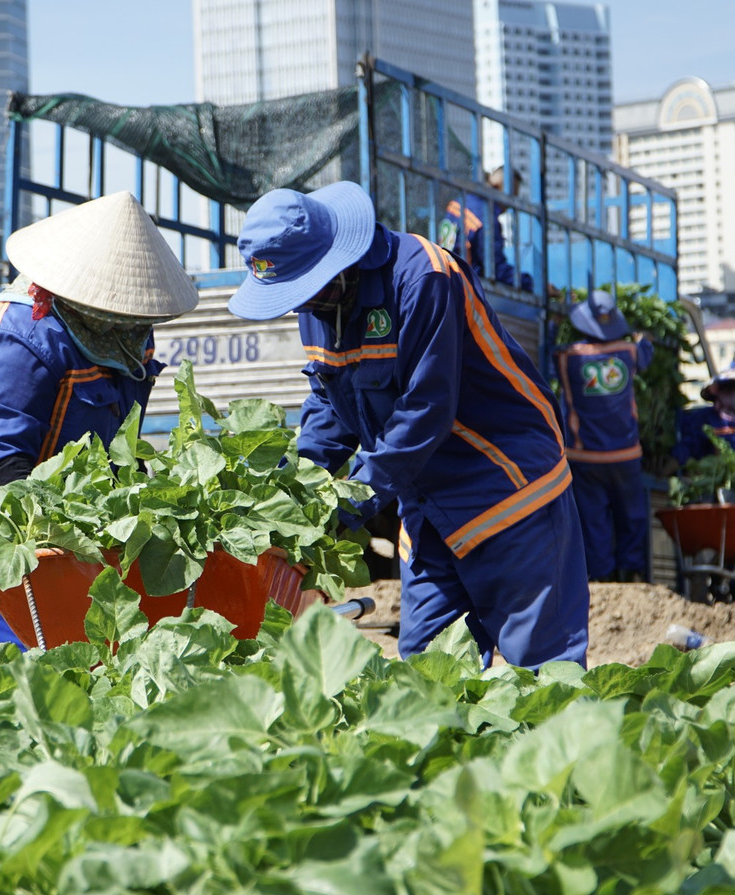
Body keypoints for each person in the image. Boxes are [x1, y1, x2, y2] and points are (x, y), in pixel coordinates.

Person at [227, 181, 588, 668]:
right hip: (427, 505)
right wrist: (298, 496)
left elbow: (426, 410)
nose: (297, 305)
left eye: (300, 291)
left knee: (544, 669)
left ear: (334, 263)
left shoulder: (422, 277)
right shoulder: (318, 308)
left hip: (506, 488)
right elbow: (328, 405)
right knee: (427, 668)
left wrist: (350, 500)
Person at [0, 190, 198, 644]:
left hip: (92, 527)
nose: (131, 319)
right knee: (32, 665)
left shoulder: (128, 338)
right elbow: (2, 464)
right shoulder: (20, 338)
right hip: (14, 532)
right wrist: (44, 538)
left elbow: (125, 442)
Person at [553, 290, 655, 583]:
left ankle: (602, 579)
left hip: (585, 457)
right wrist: (641, 338)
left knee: (593, 519)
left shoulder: (566, 357)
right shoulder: (629, 352)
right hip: (625, 455)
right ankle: (630, 573)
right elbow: (646, 353)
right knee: (631, 517)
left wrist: (558, 319)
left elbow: (550, 351)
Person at [673, 364, 735, 598]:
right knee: (711, 537)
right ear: (718, 392)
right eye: (729, 389)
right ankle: (712, 587)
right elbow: (686, 450)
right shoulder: (706, 421)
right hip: (714, 503)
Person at [438, 167, 530, 291]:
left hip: (441, 275)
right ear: (498, 187)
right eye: (511, 197)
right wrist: (533, 285)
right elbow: (496, 270)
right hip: (463, 287)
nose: (509, 206)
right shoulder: (486, 218)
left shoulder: (460, 201)